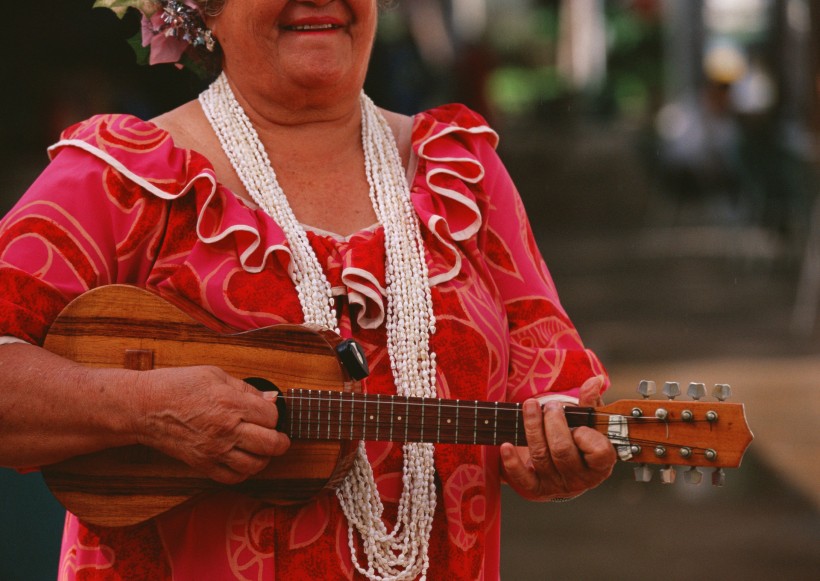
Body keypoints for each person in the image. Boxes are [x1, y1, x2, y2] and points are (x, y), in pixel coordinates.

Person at [0, 1, 616, 579]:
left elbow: (552, 392)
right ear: (203, 5)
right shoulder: (124, 180)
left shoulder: (462, 175)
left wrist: (560, 446)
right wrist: (143, 408)